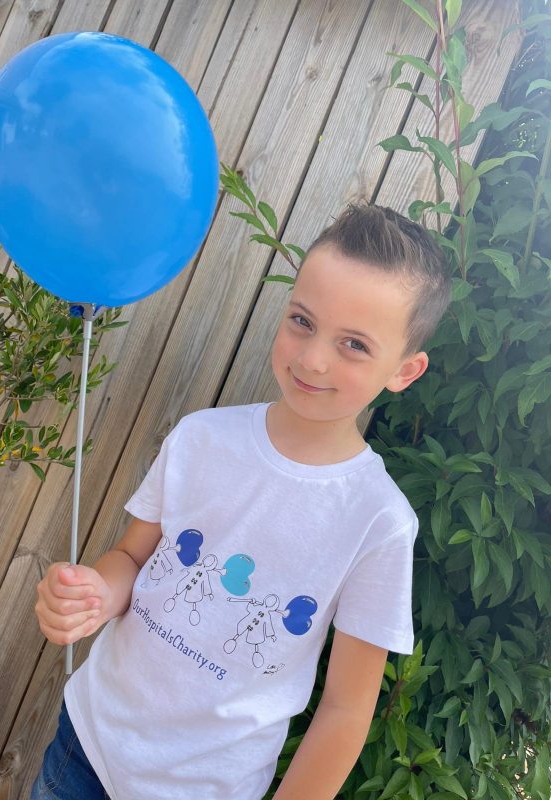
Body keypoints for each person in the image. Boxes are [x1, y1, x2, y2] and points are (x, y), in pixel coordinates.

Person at [32, 204, 451, 800]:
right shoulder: (201, 436)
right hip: (87, 747)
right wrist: (95, 595)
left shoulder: (379, 523)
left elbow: (345, 710)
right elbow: (131, 558)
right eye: (302, 321)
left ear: (405, 371)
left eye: (354, 344)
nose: (313, 358)